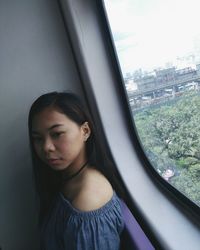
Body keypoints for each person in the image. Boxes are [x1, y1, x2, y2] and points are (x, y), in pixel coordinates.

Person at [28, 91, 125, 250]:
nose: (46, 147)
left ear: (85, 131)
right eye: (38, 138)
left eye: (57, 134)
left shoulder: (88, 201)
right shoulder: (68, 177)